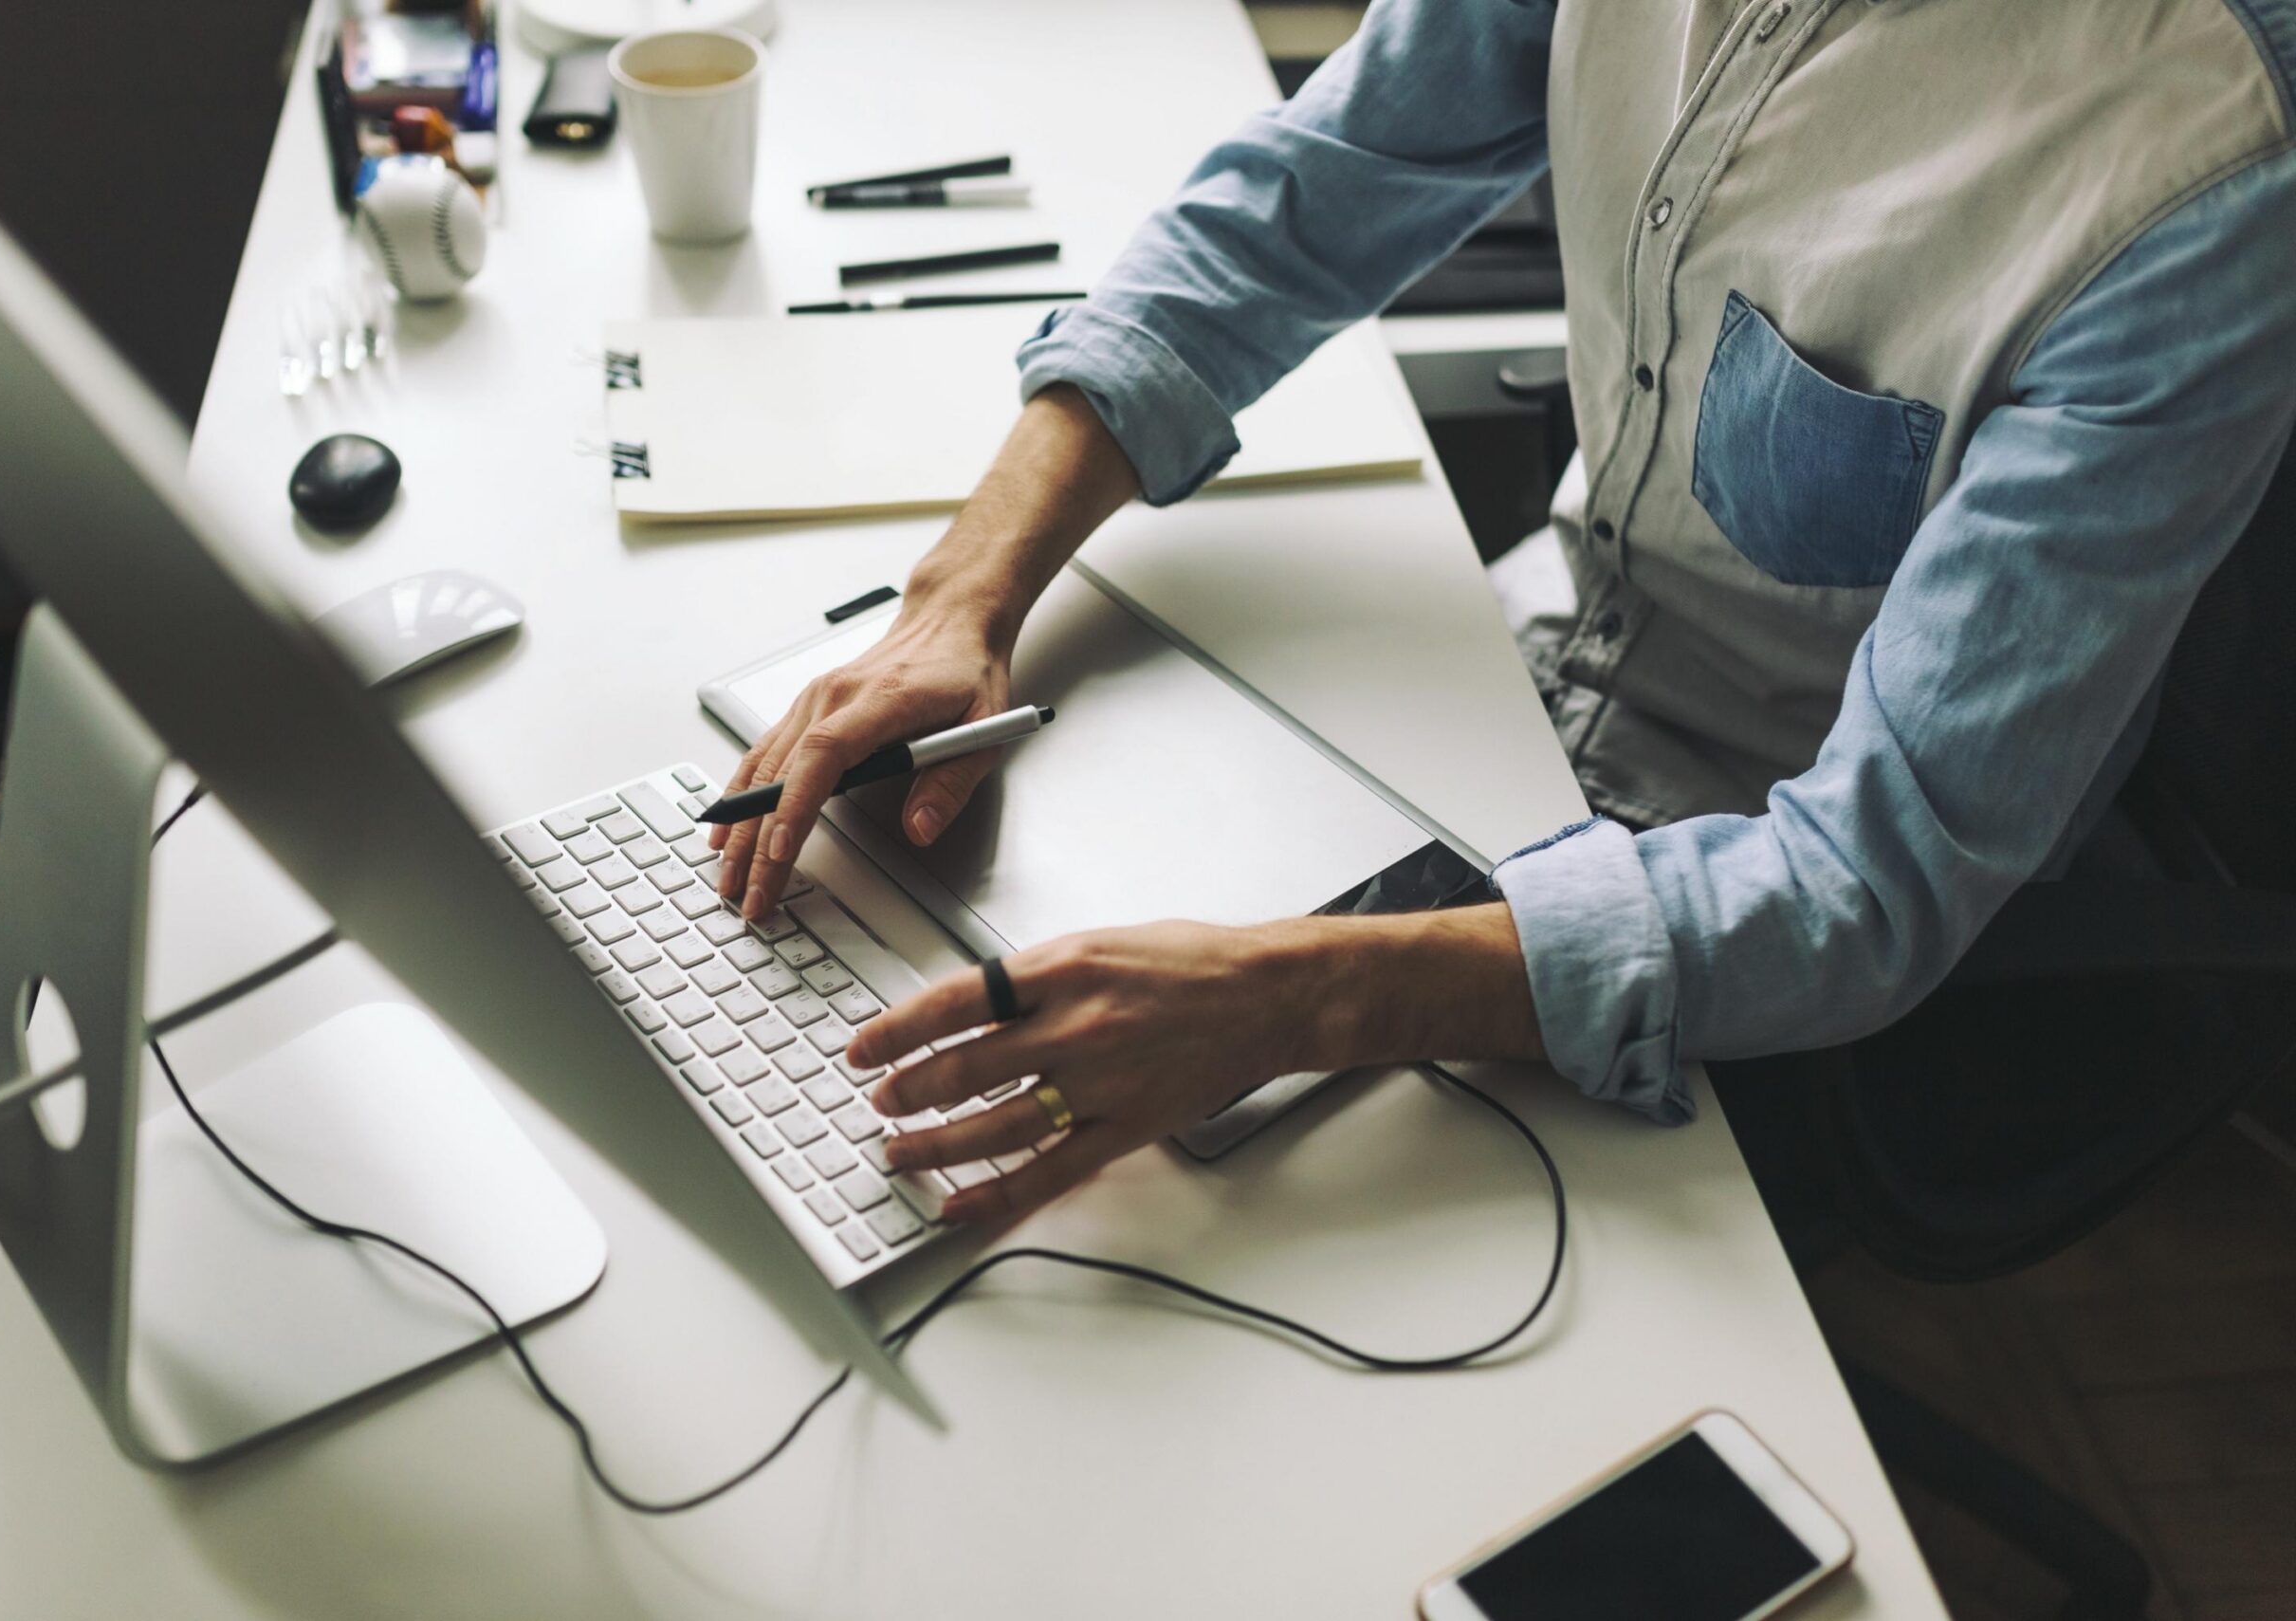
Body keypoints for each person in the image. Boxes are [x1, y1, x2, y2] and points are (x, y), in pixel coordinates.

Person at [712, 0, 2296, 1226]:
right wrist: (960, 595)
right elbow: (1305, 196)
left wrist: (1294, 992)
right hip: (1524, 680)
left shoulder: (2198, 171)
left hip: (1767, 927)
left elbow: (1869, 879)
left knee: (1177, 1267)